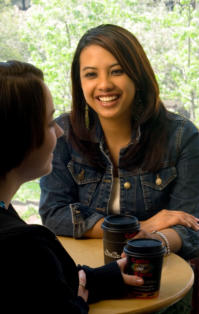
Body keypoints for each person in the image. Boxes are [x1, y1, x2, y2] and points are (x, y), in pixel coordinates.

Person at [39, 24, 199, 261]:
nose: (104, 85)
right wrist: (138, 227)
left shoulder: (182, 137)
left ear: (138, 75)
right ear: (79, 81)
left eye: (117, 71)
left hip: (155, 271)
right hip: (83, 273)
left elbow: (191, 227)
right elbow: (53, 213)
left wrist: (151, 239)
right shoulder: (63, 133)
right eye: (91, 74)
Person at [0, 60, 146, 312]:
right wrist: (77, 302)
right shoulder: (24, 247)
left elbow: (38, 285)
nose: (58, 131)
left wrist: (95, 279)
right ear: (16, 135)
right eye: (48, 123)